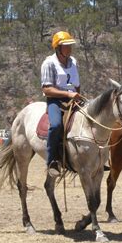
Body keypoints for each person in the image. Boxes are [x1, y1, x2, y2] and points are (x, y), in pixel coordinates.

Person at [40, 31, 80, 177]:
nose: (70, 48)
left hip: (74, 99)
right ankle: (52, 161)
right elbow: (47, 89)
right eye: (66, 46)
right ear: (58, 47)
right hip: (55, 101)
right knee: (56, 125)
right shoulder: (49, 63)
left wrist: (77, 95)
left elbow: (76, 83)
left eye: (70, 45)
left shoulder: (73, 61)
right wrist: (68, 94)